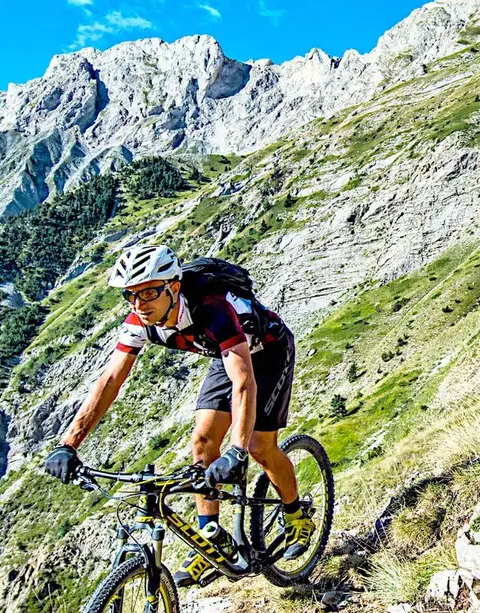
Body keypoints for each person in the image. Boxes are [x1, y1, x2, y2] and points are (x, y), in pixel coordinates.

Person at [40, 240, 313, 587]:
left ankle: (296, 514)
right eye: (131, 295)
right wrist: (69, 443)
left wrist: (236, 451)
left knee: (259, 446)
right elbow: (110, 380)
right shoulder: (140, 321)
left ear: (174, 286)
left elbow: (244, 382)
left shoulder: (215, 309)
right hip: (223, 354)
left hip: (267, 350)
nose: (140, 304)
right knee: (201, 443)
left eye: (150, 293)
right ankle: (210, 540)